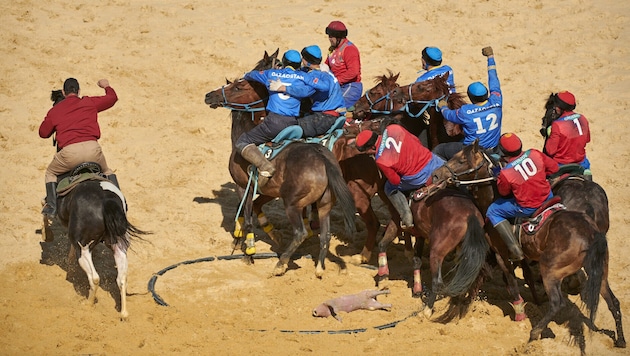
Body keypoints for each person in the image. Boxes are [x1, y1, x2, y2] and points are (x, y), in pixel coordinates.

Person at [39, 78, 119, 220]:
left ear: (63, 92)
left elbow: (43, 133)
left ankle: (51, 206)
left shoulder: (55, 110)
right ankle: (117, 203)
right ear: (79, 91)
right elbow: (112, 98)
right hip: (93, 150)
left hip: (69, 154)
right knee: (107, 171)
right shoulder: (88, 102)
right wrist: (106, 86)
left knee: (50, 173)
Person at [239, 50, 313, 186]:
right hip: (293, 124)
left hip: (274, 122)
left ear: (284, 62)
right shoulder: (302, 77)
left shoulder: (271, 74)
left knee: (243, 141)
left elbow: (252, 75)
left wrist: (246, 74)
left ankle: (264, 166)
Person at [355, 124, 445, 228]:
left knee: (389, 187)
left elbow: (395, 180)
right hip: (432, 161)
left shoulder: (381, 160)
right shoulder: (393, 128)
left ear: (371, 148)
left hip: (418, 177)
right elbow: (416, 140)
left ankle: (406, 217)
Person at [486, 133, 559, 261]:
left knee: (493, 210)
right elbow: (554, 168)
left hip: (528, 207)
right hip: (548, 197)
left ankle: (515, 250)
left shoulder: (506, 172)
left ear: (503, 153)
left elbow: (503, 193)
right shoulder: (535, 153)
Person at [433, 46, 502, 160]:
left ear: (470, 97)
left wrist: (443, 106)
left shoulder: (465, 112)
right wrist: (490, 57)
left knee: (439, 150)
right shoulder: (497, 101)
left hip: (473, 152)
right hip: (493, 149)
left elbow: (448, 115)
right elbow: (494, 80)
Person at [270, 45, 346, 138]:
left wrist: (284, 88)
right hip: (335, 115)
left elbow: (302, 91)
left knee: (284, 128)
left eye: (303, 58)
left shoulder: (314, 76)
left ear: (307, 61)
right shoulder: (325, 71)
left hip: (324, 118)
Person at [542, 91, 592, 179]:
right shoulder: (582, 118)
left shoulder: (557, 125)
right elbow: (587, 140)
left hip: (560, 164)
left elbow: (550, 151)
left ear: (560, 108)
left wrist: (550, 135)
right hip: (580, 162)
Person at [324, 20, 362, 109]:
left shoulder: (349, 49)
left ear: (339, 37)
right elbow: (327, 66)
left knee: (335, 108)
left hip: (351, 86)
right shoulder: (332, 49)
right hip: (337, 85)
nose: (329, 38)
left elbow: (353, 72)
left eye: (331, 36)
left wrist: (336, 81)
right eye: (329, 36)